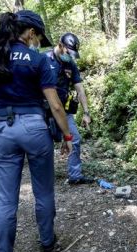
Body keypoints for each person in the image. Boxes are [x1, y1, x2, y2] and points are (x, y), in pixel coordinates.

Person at [0, 10, 74, 252]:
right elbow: (56, 106)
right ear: (31, 33)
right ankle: (48, 243)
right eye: (38, 36)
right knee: (44, 191)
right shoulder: (39, 61)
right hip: (36, 129)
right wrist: (67, 137)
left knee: (5, 201)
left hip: (3, 130)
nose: (38, 40)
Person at [44, 32, 93, 184]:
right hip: (43, 111)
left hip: (64, 111)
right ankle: (44, 178)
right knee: (44, 144)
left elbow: (80, 89)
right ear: (60, 45)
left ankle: (75, 175)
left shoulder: (70, 64)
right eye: (68, 52)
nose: (69, 56)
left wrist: (86, 113)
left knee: (75, 139)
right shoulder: (44, 60)